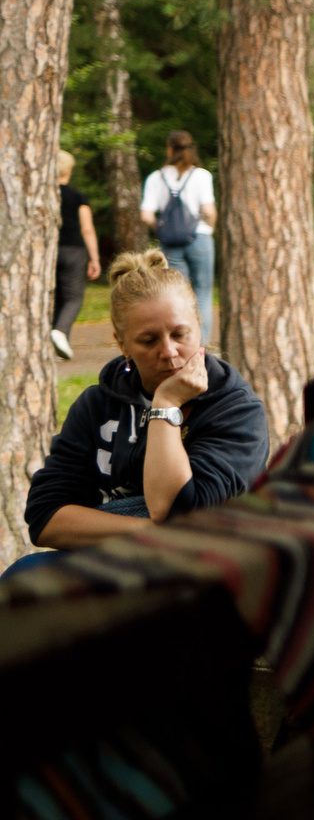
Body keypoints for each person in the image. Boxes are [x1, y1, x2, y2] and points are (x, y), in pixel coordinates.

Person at [18, 250, 269, 565]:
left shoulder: (234, 408)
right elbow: (45, 516)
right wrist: (152, 532)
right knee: (23, 574)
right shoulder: (96, 406)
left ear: (200, 326)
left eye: (180, 334)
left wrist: (165, 406)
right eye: (149, 341)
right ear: (122, 344)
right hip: (116, 558)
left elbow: (182, 513)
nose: (169, 351)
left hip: (205, 569)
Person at [140, 130, 216, 331]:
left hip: (170, 242)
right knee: (203, 292)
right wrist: (209, 228)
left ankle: (181, 337)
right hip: (199, 237)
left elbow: (146, 215)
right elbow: (208, 211)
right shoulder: (201, 175)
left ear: (169, 149)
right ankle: (201, 341)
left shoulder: (156, 178)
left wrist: (161, 229)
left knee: (177, 293)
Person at [52, 149, 99, 360]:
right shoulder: (78, 196)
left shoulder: (42, 193)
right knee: (73, 297)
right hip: (73, 250)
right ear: (69, 170)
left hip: (49, 251)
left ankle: (56, 344)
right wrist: (94, 258)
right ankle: (60, 332)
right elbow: (87, 229)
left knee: (56, 297)